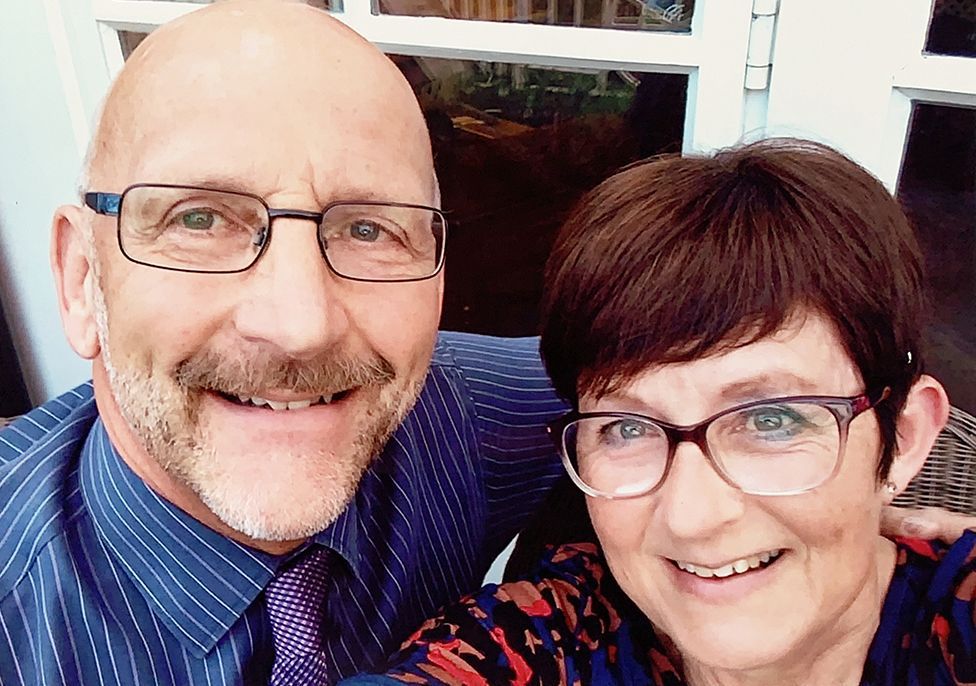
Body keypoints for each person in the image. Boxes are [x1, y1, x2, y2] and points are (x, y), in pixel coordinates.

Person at [0, 2, 966, 683]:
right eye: (201, 219)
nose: (296, 322)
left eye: (369, 229)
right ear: (83, 279)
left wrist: (831, 504)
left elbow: (672, 397)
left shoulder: (465, 411)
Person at [343, 140, 976, 685]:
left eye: (771, 420)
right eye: (626, 428)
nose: (694, 517)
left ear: (905, 435)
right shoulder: (554, 638)